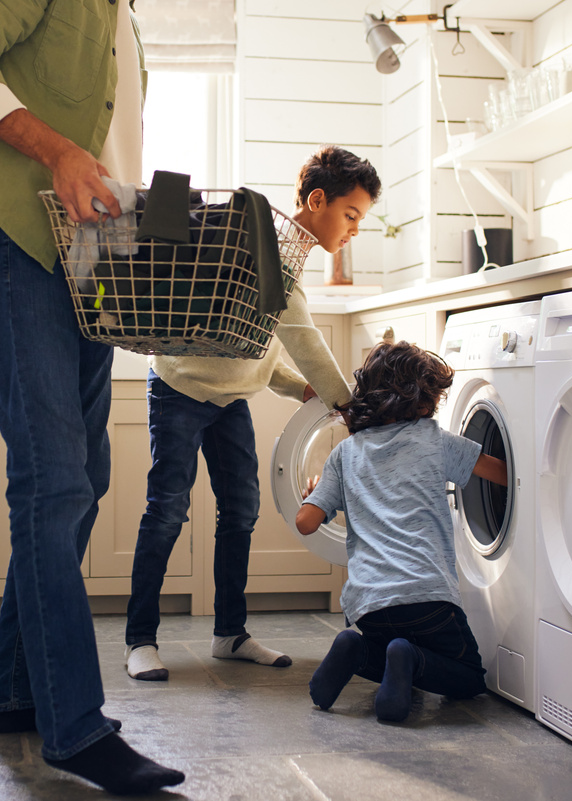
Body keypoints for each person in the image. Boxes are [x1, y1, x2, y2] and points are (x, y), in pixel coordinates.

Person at [0, 2, 185, 795]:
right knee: (53, 482)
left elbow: (107, 147)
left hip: (89, 257)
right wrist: (56, 149)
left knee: (81, 481)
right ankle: (75, 726)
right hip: (17, 235)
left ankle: (13, 695)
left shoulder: (124, 19)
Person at [124, 146, 382, 681]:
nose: (354, 229)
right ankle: (140, 640)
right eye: (351, 215)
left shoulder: (287, 255)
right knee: (167, 509)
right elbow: (302, 337)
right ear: (317, 201)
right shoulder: (271, 246)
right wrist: (346, 405)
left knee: (240, 510)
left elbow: (257, 343)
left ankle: (229, 634)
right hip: (181, 387)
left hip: (230, 398)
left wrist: (297, 389)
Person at [295, 340, 509, 722]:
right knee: (468, 678)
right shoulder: (433, 440)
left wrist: (318, 495)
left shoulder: (345, 453)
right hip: (428, 598)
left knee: (386, 644)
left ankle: (355, 650)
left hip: (369, 606)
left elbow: (305, 522)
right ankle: (407, 658)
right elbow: (503, 475)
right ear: (423, 402)